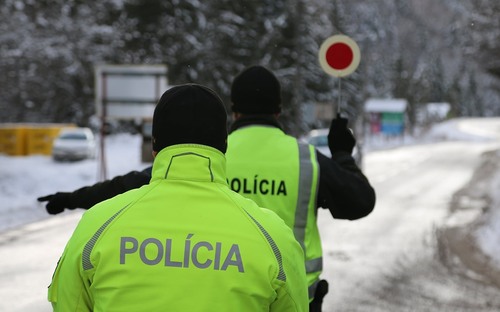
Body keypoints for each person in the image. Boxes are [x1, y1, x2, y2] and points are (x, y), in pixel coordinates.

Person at [40, 66, 376, 311]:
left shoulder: (100, 226)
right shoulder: (301, 171)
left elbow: (125, 186)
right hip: (290, 289)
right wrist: (344, 155)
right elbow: (359, 202)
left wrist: (71, 199)